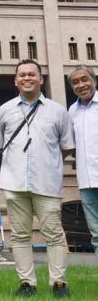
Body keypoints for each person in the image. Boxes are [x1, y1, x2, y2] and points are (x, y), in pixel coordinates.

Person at [0, 59, 74, 298]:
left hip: (46, 183)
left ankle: (59, 282)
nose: (27, 78)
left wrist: (46, 160)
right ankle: (27, 283)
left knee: (54, 233)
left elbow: (66, 146)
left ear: (41, 79)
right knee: (19, 234)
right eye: (22, 75)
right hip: (15, 182)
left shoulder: (57, 111)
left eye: (31, 74)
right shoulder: (4, 110)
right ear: (15, 81)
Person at [68, 65, 98, 256]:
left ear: (94, 80)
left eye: (84, 79)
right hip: (86, 181)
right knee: (96, 232)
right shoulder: (72, 111)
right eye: (75, 82)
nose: (81, 85)